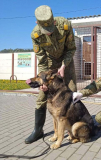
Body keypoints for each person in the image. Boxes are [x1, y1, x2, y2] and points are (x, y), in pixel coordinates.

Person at [25, 5, 77, 144]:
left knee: (72, 93)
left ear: (54, 21)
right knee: (42, 96)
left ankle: (71, 128)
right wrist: (42, 83)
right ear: (37, 23)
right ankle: (38, 130)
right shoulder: (35, 35)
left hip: (67, 62)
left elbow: (71, 48)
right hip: (49, 64)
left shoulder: (65, 25)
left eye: (50, 30)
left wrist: (64, 65)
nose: (48, 33)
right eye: (45, 31)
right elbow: (41, 60)